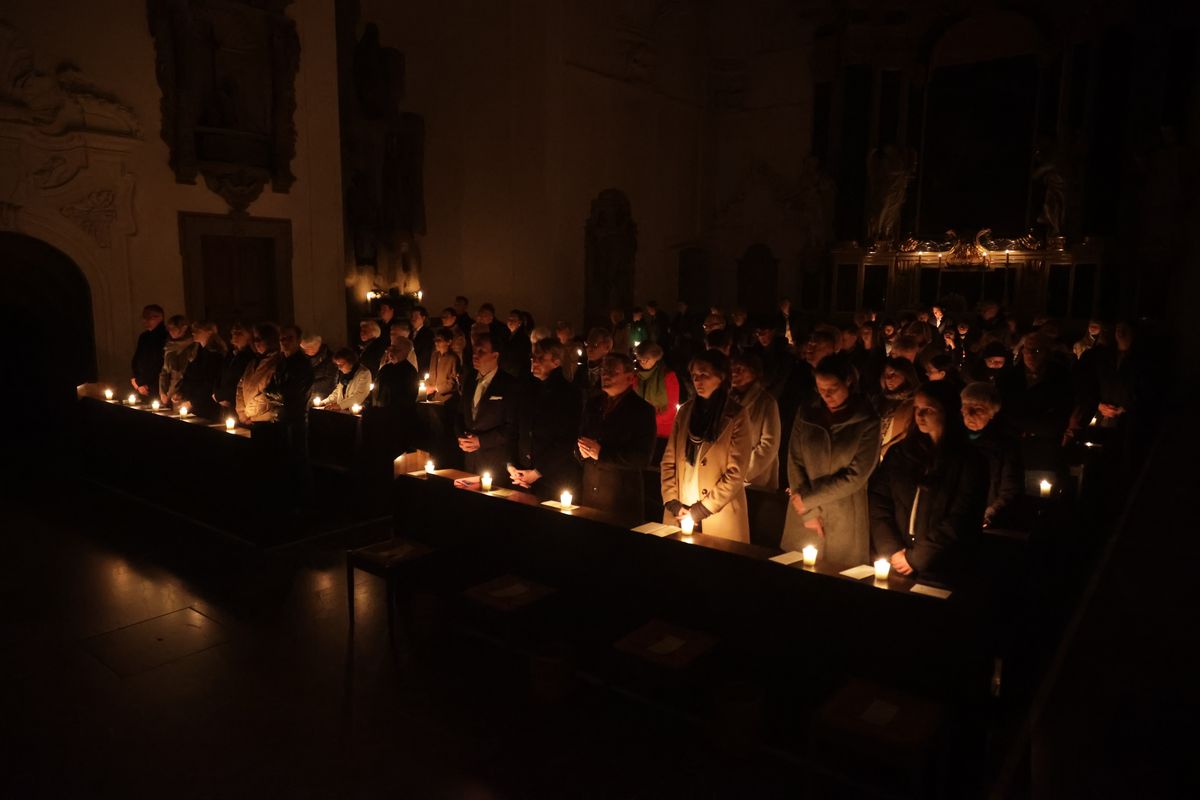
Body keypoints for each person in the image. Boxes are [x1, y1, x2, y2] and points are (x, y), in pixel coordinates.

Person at [869, 381, 989, 585]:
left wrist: (916, 558)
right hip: (896, 560)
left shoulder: (969, 461)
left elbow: (961, 518)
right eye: (916, 408)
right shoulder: (900, 454)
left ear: (948, 411)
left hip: (943, 566)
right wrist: (892, 550)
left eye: (928, 409)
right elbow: (879, 500)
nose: (920, 416)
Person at [780, 353, 881, 564]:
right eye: (820, 388)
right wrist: (808, 512)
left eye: (832, 388)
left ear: (849, 381)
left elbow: (856, 476)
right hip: (804, 515)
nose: (826, 394)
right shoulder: (807, 412)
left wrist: (807, 499)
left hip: (843, 515)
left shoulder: (867, 421)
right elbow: (795, 460)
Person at [660, 350, 752, 540]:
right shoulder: (685, 412)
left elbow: (735, 472)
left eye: (704, 375)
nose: (698, 381)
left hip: (719, 514)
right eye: (694, 376)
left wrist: (702, 509)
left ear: (721, 376)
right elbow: (669, 460)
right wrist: (673, 501)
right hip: (680, 508)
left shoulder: (736, 416)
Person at [577, 353, 657, 514]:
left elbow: (642, 458)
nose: (605, 374)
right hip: (590, 495)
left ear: (629, 378)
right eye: (604, 370)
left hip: (622, 500)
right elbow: (580, 437)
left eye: (612, 371)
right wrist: (580, 451)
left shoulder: (641, 411)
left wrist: (602, 453)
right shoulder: (593, 404)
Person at [510, 340, 583, 500]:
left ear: (556, 361)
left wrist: (537, 472)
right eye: (533, 357)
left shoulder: (568, 394)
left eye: (541, 358)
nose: (534, 362)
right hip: (523, 475)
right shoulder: (528, 388)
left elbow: (566, 440)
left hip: (553, 478)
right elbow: (517, 428)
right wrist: (512, 466)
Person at [457, 332, 519, 481]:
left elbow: (512, 426)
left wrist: (481, 441)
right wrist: (460, 437)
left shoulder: (508, 384)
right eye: (474, 351)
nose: (475, 355)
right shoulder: (470, 379)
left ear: (495, 355)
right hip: (470, 458)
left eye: (481, 351)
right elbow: (460, 413)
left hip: (494, 461)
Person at [960, 382, 1022, 528]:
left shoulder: (1005, 446)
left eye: (978, 409)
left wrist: (991, 512)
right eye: (966, 408)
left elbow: (1010, 488)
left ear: (992, 413)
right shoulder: (953, 440)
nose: (970, 414)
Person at [729, 351, 781, 490]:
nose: (734, 373)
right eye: (732, 368)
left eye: (740, 369)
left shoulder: (766, 402)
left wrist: (743, 472)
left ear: (754, 373)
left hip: (755, 477)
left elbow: (769, 444)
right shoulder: (726, 400)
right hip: (726, 475)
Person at [633, 342, 681, 457]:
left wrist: (650, 420)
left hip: (662, 432)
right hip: (640, 431)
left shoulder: (668, 376)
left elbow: (671, 408)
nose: (643, 362)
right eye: (640, 359)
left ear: (656, 358)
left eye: (646, 359)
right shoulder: (636, 376)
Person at [175, 320, 226, 419]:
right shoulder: (198, 351)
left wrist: (193, 401)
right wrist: (181, 392)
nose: (193, 333)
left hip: (206, 404)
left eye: (197, 330)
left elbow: (209, 381)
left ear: (209, 332)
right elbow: (190, 374)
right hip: (194, 401)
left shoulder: (214, 354)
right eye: (193, 330)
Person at [236, 323, 283, 423]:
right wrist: (241, 411)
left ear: (270, 340)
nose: (256, 343)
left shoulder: (277, 362)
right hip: (248, 417)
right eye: (254, 340)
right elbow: (240, 386)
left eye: (259, 339)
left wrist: (249, 412)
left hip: (266, 418)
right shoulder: (253, 363)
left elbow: (270, 393)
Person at [875, 356, 918, 460]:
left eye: (894, 374)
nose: (888, 378)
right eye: (886, 374)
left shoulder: (914, 402)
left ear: (906, 376)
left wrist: (887, 448)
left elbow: (909, 432)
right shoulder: (879, 400)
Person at [159, 315, 198, 407]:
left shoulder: (194, 345)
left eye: (173, 328)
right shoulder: (170, 346)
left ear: (184, 328)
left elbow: (191, 371)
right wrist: (162, 392)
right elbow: (164, 370)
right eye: (169, 328)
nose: (170, 331)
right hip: (170, 390)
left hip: (186, 390)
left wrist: (182, 392)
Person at [130, 304, 167, 398]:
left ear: (160, 318)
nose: (144, 320)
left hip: (157, 386)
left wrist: (143, 383)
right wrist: (135, 379)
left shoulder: (165, 337)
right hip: (141, 384)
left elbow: (160, 364)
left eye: (149, 317)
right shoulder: (144, 337)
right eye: (144, 317)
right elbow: (136, 360)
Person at [216, 323, 255, 411]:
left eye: (239, 333)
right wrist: (216, 393)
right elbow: (220, 374)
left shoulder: (250, 357)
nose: (235, 336)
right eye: (233, 333)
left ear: (249, 336)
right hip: (223, 403)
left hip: (237, 404)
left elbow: (241, 381)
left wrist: (223, 395)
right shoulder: (230, 354)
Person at [426, 327, 460, 403]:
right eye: (435, 340)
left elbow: (453, 382)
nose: (436, 343)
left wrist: (435, 388)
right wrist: (426, 385)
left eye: (439, 340)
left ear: (449, 342)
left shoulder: (453, 358)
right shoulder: (434, 356)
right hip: (433, 398)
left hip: (447, 400)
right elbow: (431, 376)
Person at [302, 333, 337, 402]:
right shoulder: (304, 358)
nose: (305, 351)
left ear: (316, 346)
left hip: (323, 397)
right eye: (304, 349)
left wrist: (306, 385)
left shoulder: (330, 359)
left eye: (308, 348)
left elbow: (329, 382)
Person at [410, 305, 434, 373]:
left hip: (420, 367)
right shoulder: (410, 332)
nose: (413, 319)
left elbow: (425, 353)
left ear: (423, 318)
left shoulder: (428, 333)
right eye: (412, 316)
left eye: (416, 316)